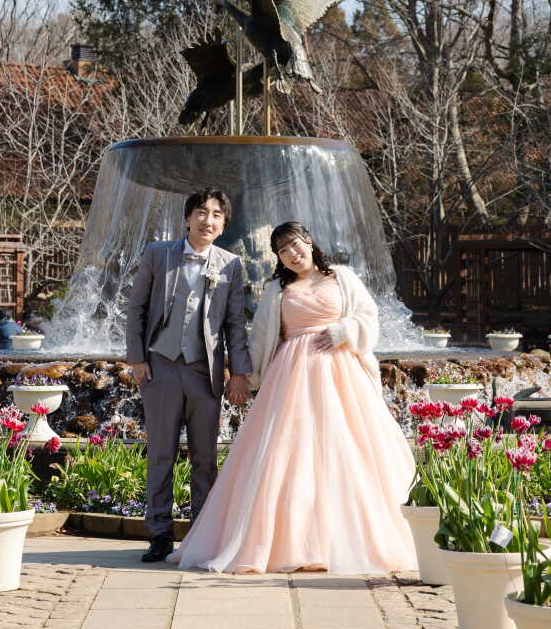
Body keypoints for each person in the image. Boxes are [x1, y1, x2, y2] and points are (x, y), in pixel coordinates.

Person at [171, 220, 416, 574]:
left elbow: (368, 317)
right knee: (288, 455)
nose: (292, 253)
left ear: (310, 242)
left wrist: (344, 329)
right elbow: (262, 339)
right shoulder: (277, 290)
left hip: (341, 373)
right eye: (283, 250)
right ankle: (287, 542)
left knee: (345, 451)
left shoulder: (342, 277)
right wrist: (245, 378)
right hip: (292, 376)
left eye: (296, 245)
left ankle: (343, 540)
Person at [126, 187, 252, 563]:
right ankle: (159, 534)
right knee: (161, 454)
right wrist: (137, 359)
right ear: (187, 217)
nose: (207, 220)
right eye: (201, 212)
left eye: (216, 214)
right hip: (161, 366)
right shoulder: (157, 254)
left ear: (224, 223)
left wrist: (239, 374)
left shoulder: (231, 264)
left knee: (205, 458)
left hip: (205, 371)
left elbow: (234, 325)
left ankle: (200, 533)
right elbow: (136, 310)